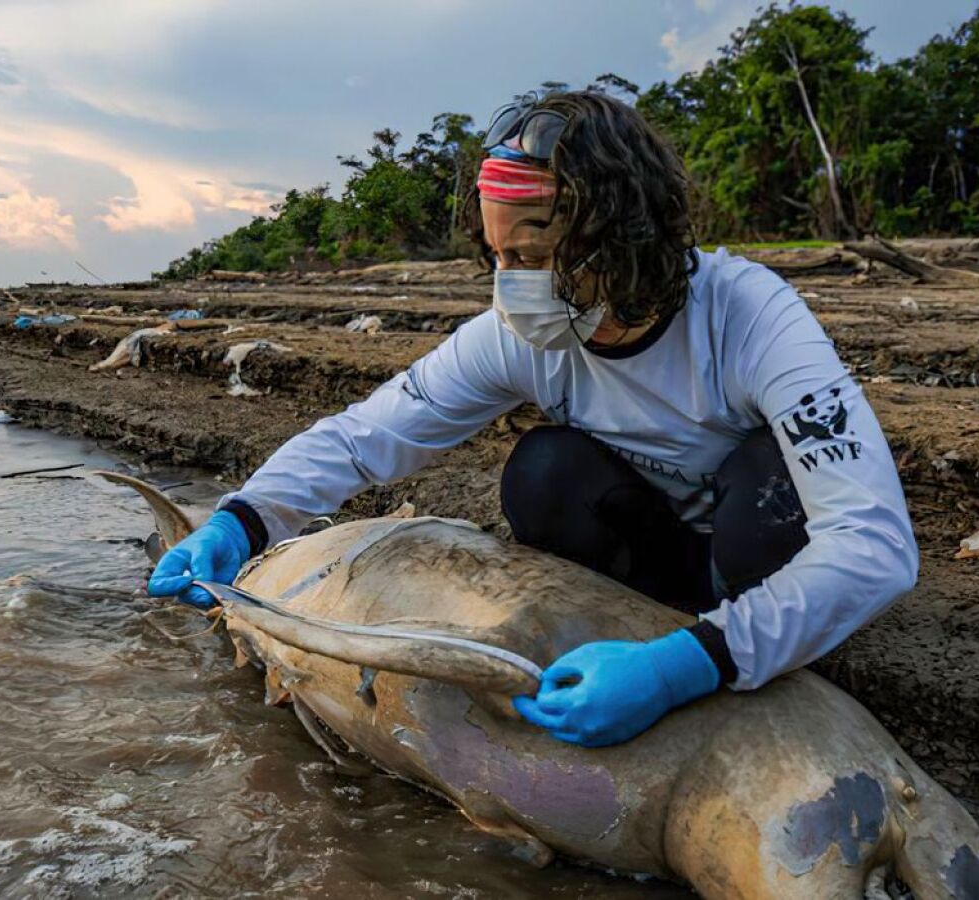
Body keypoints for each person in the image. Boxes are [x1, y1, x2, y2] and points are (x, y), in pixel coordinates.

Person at [148, 91, 918, 749]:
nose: (514, 287)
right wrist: (243, 520)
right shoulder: (521, 337)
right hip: (655, 558)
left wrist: (686, 666)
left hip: (751, 554)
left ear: (624, 236)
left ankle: (728, 645)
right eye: (498, 259)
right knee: (543, 471)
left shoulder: (751, 318)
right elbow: (369, 435)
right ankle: (644, 635)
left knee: (771, 481)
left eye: (536, 254)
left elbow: (875, 546)